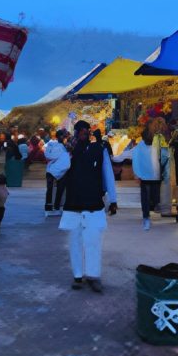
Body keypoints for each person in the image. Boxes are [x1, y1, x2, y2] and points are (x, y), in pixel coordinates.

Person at [60, 120, 117, 293]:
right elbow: (57, 171)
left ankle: (93, 275)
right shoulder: (68, 152)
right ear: (75, 133)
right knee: (75, 242)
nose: (84, 133)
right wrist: (67, 154)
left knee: (93, 242)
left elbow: (107, 173)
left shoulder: (99, 150)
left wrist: (113, 199)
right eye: (80, 131)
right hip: (73, 204)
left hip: (93, 203)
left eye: (86, 130)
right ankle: (78, 275)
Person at [132, 121, 169, 231]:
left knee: (153, 196)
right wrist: (137, 174)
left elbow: (163, 158)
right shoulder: (141, 147)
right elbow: (136, 160)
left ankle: (151, 210)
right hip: (146, 177)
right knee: (146, 198)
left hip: (154, 176)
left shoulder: (155, 144)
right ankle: (146, 216)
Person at [44, 129, 70, 216]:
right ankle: (48, 206)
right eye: (61, 135)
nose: (62, 137)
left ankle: (57, 206)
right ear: (57, 136)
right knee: (50, 188)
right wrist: (59, 157)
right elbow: (48, 155)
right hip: (52, 169)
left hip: (62, 170)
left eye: (64, 136)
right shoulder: (52, 144)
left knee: (60, 189)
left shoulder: (66, 146)